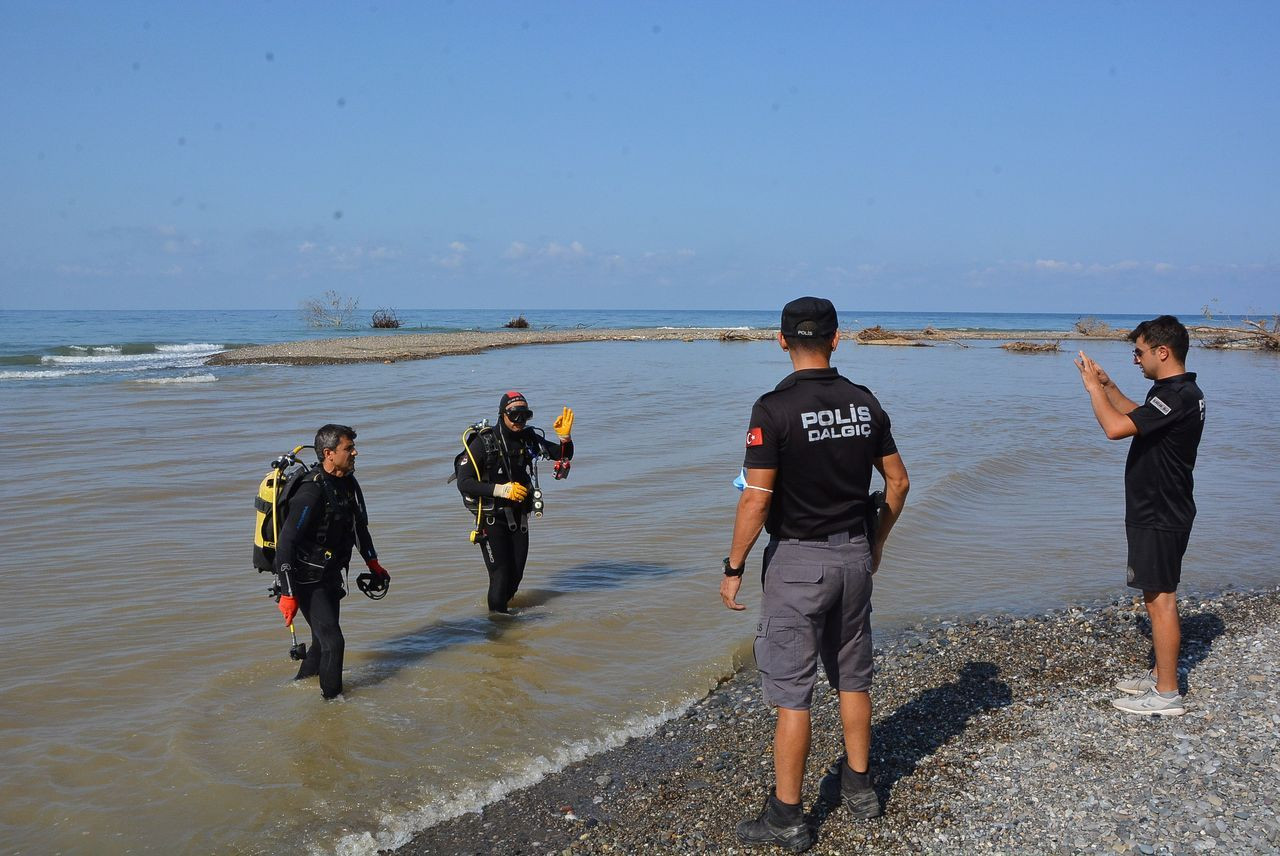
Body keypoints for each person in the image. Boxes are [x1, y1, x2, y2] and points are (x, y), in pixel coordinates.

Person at [720, 296, 909, 851]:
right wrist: (874, 545)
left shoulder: (772, 408)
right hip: (853, 556)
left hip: (798, 562)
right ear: (836, 339)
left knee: (793, 692)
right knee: (853, 674)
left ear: (781, 341)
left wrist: (733, 567)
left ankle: (786, 817)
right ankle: (860, 788)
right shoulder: (864, 403)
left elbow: (756, 500)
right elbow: (897, 484)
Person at [1075, 315, 1205, 716]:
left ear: (1162, 352)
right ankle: (1159, 673)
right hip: (1163, 506)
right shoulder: (1174, 392)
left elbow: (1115, 428)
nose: (1136, 359)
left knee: (1160, 598)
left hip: (1160, 510)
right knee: (1157, 593)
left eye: (1139, 351)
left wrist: (1093, 390)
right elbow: (1140, 418)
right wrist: (1110, 386)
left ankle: (1167, 694)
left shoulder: (1178, 395)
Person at [274, 424, 389, 699]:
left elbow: (359, 528)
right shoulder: (310, 493)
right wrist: (288, 593)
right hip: (305, 579)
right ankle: (333, 705)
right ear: (329, 453)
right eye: (349, 449)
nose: (355, 453)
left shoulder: (347, 483)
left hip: (330, 574)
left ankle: (297, 686)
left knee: (321, 641)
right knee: (334, 642)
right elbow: (286, 544)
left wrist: (373, 563)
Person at [454, 391, 574, 613]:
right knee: (500, 576)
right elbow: (464, 482)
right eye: (514, 415)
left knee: (515, 576)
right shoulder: (484, 442)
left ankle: (503, 622)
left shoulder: (528, 438)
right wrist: (502, 489)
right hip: (491, 519)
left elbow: (561, 455)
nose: (520, 421)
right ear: (502, 414)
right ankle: (497, 629)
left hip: (519, 518)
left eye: (525, 415)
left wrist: (565, 439)